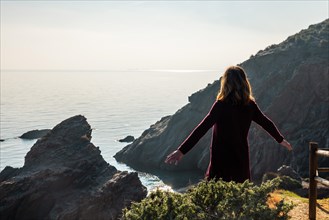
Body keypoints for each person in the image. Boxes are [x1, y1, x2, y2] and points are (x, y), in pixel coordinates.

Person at [165, 66, 292, 183]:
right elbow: (266, 123)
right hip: (240, 158)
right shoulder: (249, 105)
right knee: (239, 195)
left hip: (221, 159)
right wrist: (281, 140)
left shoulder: (221, 105)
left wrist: (181, 151)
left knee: (217, 197)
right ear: (244, 83)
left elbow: (202, 128)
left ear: (225, 83)